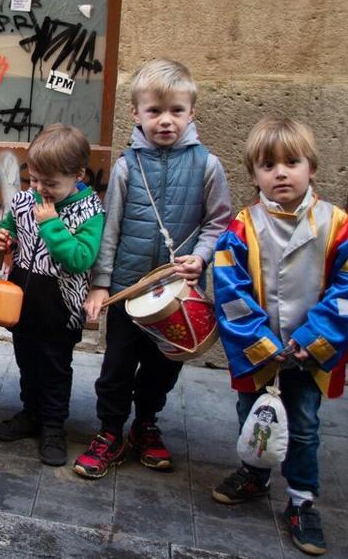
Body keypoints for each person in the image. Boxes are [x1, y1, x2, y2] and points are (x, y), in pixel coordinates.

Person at [211, 117, 348, 556]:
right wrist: (262, 344)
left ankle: (301, 499)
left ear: (312, 167)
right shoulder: (241, 229)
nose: (280, 172)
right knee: (252, 417)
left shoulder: (340, 227)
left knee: (302, 427)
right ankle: (255, 473)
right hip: (259, 352)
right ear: (254, 174)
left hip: (309, 355)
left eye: (291, 162)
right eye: (268, 165)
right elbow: (230, 293)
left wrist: (312, 339)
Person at [74, 59, 232, 479]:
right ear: (136, 114)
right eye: (155, 112)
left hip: (177, 296)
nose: (166, 121)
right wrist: (101, 285)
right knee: (117, 367)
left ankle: (146, 423)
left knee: (163, 368)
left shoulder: (208, 166)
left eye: (176, 111)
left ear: (192, 112)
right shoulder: (128, 166)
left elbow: (219, 222)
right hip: (130, 292)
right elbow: (110, 229)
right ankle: (110, 430)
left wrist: (201, 256)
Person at [0, 124, 105, 466]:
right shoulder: (27, 199)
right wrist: (1, 238)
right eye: (34, 180)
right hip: (23, 301)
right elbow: (9, 227)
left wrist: (52, 225)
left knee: (55, 368)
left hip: (61, 306)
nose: (40, 189)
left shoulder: (89, 211)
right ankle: (31, 413)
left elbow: (80, 258)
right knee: (27, 362)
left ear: (78, 175)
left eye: (50, 183)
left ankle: (54, 425)